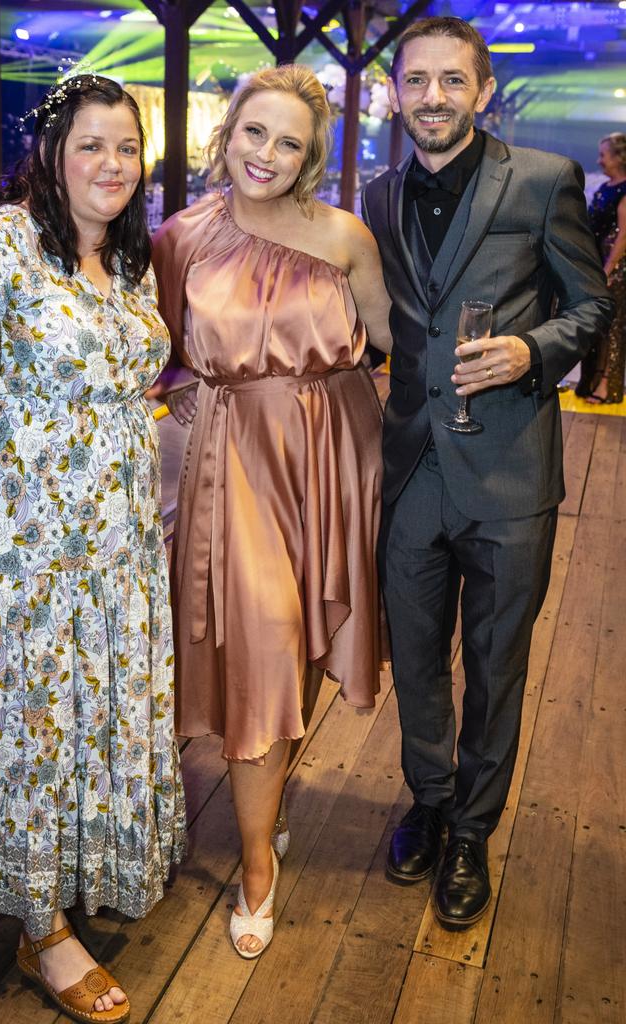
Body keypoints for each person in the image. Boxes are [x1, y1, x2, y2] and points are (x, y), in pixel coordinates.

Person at [0, 74, 186, 1023]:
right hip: (18, 554)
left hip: (116, 546)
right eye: (92, 145)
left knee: (90, 712)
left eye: (127, 148)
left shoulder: (128, 261)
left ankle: (67, 873)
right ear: (52, 153)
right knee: (31, 718)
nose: (112, 165)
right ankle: (43, 931)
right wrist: (1, 489)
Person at [362, 17, 612, 930]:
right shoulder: (377, 196)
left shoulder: (544, 181)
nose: (433, 97)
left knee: (497, 667)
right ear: (396, 93)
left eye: (451, 81)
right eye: (416, 80)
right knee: (418, 663)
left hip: (509, 472)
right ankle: (427, 803)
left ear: (483, 91)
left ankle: (471, 830)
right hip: (412, 470)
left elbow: (593, 307)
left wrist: (531, 350)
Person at [152, 64, 392, 958]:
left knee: (295, 644)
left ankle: (271, 811)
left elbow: (397, 342)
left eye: (289, 142)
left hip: (334, 456)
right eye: (256, 133)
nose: (268, 154)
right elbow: (150, 345)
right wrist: (179, 386)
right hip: (237, 468)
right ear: (228, 132)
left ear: (312, 155)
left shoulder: (343, 236)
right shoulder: (181, 236)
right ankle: (257, 861)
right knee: (256, 643)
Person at [575, 131, 626, 403]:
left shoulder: (625, 189)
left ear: (620, 158)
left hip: (615, 268)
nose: (599, 160)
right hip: (598, 263)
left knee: (613, 327)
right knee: (595, 326)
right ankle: (589, 381)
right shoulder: (607, 186)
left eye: (604, 155)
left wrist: (608, 269)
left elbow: (623, 236)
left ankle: (607, 385)